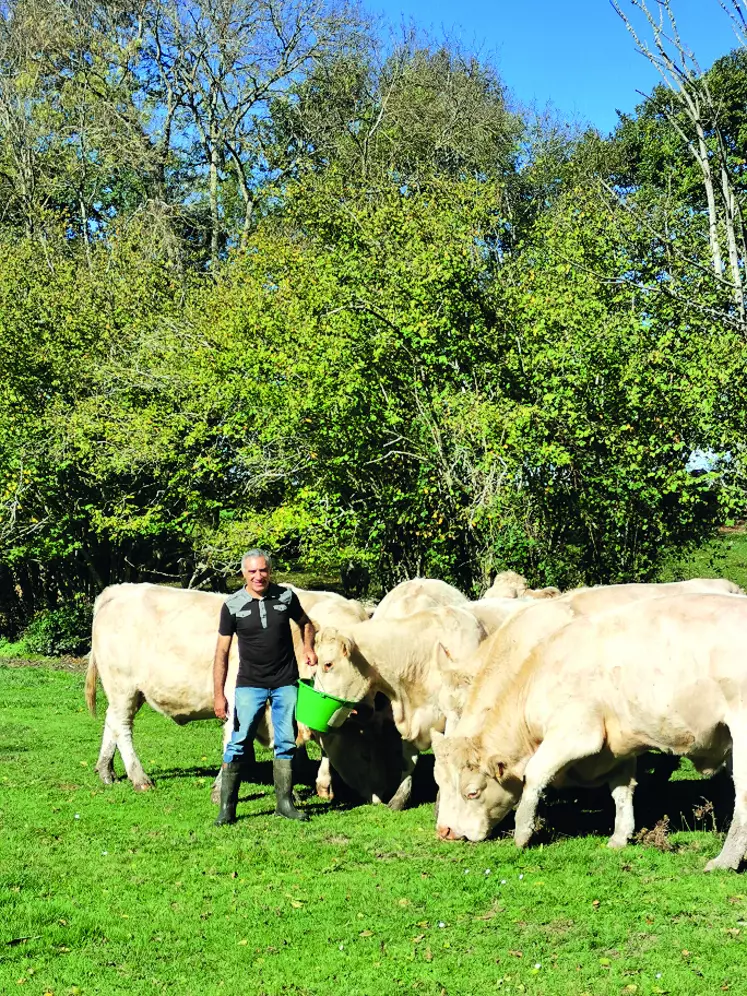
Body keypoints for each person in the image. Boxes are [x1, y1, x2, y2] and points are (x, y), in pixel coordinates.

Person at [213, 548, 318, 825]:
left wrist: (308, 648)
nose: (258, 576)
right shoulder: (232, 605)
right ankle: (227, 808)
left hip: (285, 684)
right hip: (250, 685)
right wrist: (218, 696)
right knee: (238, 742)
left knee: (285, 742)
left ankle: (284, 803)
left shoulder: (285, 596)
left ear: (269, 571)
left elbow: (306, 623)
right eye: (252, 571)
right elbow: (221, 653)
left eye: (263, 570)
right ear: (243, 574)